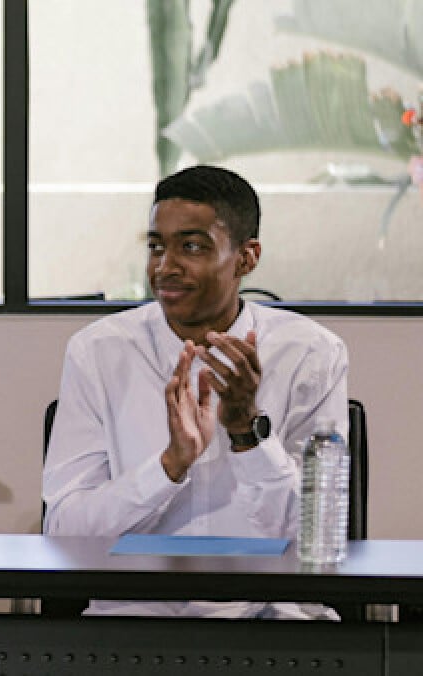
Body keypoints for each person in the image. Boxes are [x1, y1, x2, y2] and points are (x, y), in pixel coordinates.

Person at [41, 165, 349, 619]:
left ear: (247, 258)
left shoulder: (311, 355)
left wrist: (247, 433)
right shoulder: (99, 353)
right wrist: (168, 467)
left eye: (191, 246)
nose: (165, 267)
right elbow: (65, 532)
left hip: (270, 625)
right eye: (156, 247)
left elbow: (317, 542)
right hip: (135, 622)